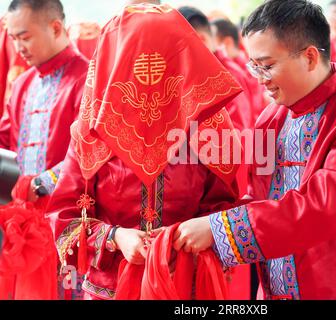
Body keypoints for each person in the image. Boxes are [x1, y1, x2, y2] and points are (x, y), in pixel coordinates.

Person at [173, 0, 336, 300]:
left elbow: (326, 210)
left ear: (310, 57)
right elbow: (257, 199)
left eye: (267, 65)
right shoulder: (270, 119)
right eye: (254, 66)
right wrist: (189, 223)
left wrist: (219, 229)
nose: (259, 79)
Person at [46, 3, 242, 300]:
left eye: (163, 57)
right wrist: (114, 237)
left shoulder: (207, 127)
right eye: (134, 58)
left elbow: (226, 210)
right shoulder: (92, 132)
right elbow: (63, 220)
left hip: (184, 288)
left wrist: (194, 238)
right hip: (107, 291)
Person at [0, 0, 88, 204]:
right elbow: (5, 137)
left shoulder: (87, 80)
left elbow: (88, 153)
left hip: (65, 213)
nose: (18, 47)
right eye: (13, 39)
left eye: (25, 38)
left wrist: (41, 185)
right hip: (19, 208)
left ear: (55, 28)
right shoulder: (22, 83)